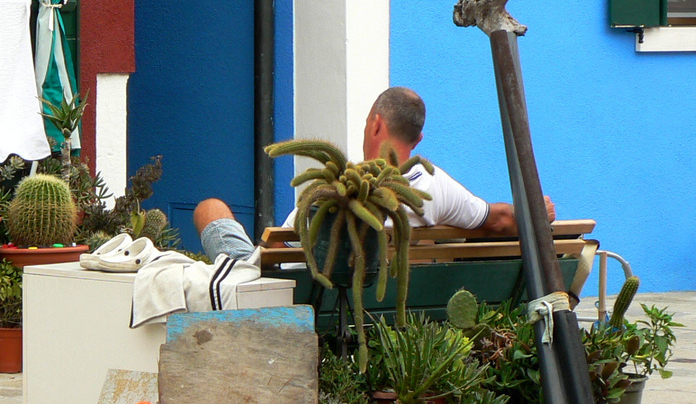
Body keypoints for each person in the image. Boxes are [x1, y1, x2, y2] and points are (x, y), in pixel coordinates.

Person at [194, 86, 557, 260]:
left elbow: (278, 249)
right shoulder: (435, 188)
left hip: (303, 302)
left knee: (210, 209)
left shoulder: (335, 191)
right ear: (418, 139)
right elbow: (498, 221)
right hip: (388, 309)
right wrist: (536, 209)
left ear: (375, 124)